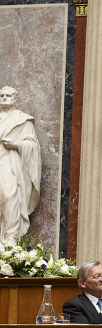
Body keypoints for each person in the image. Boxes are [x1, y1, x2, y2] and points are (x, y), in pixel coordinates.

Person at [0, 86, 41, 243]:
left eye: (8, 95)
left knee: (9, 195)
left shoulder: (23, 120)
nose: (4, 98)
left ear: (15, 99)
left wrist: (16, 144)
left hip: (9, 162)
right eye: (2, 95)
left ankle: (10, 239)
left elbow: (33, 146)